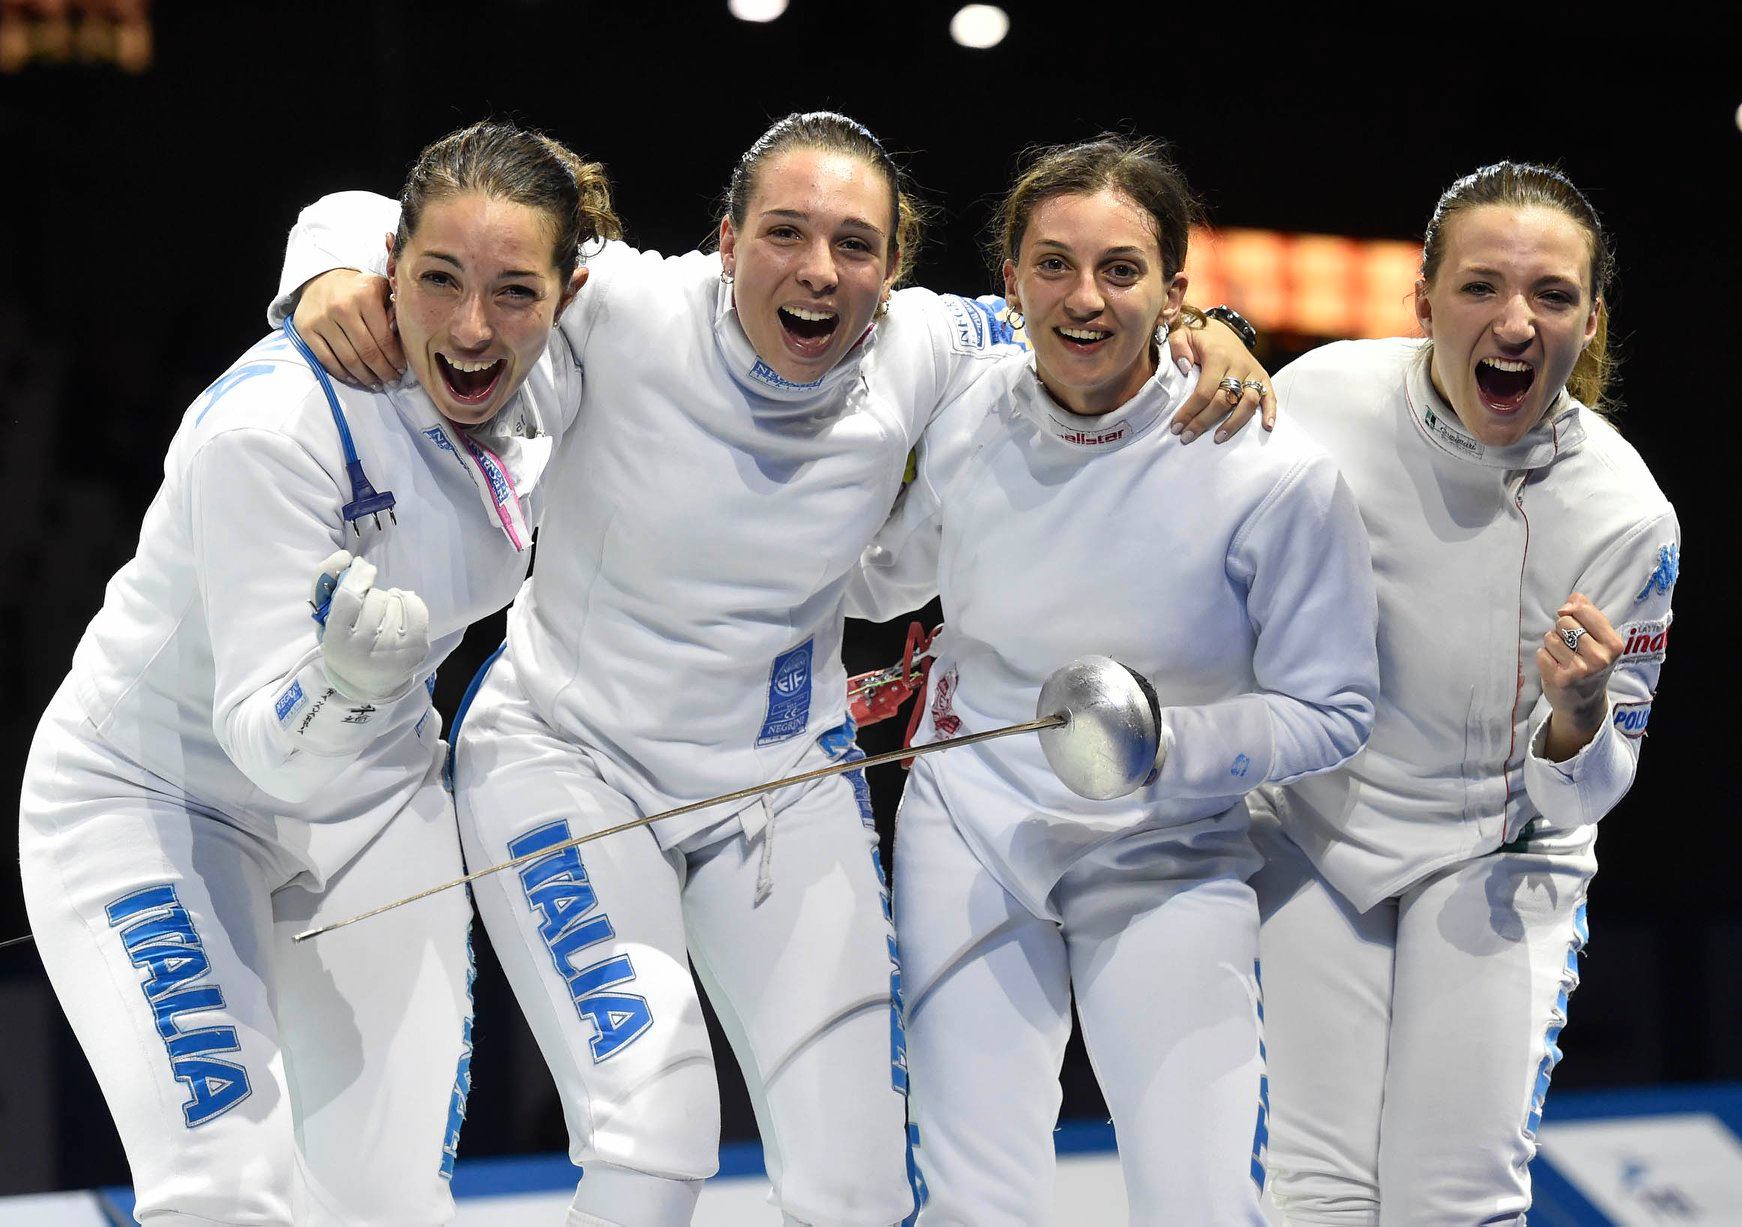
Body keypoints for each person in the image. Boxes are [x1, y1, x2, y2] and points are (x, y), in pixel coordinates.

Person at [276, 114, 1273, 1227]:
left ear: (890, 272)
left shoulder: (928, 343)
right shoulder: (623, 304)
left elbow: (1083, 319)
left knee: (860, 1188)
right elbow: (408, 216)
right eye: (785, 233)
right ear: (727, 241)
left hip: (780, 784)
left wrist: (1213, 330)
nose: (818, 270)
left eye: (854, 245)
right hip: (565, 765)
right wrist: (330, 270)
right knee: (652, 1135)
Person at [17, 120, 611, 1224]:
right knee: (225, 1192)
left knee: (388, 1205)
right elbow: (265, 748)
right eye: (437, 280)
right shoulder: (269, 430)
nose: (473, 328)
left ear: (568, 295)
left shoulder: (567, 353)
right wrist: (340, 682)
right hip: (152, 798)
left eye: (515, 294)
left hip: (372, 804)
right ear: (391, 266)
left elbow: (733, 300)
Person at [842, 136, 1379, 1226]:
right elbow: (885, 573)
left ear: (1175, 293)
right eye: (1053, 265)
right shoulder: (962, 411)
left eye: (1120, 270)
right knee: (972, 1200)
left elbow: (1335, 708)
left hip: (1167, 848)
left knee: (1196, 1202)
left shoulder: (1266, 471)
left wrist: (1165, 745)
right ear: (1010, 282)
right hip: (971, 824)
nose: (1082, 298)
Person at [1248, 163, 1680, 1226]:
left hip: (1499, 846)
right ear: (1424, 300)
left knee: (1451, 1204)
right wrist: (1211, 332)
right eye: (1481, 286)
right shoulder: (1317, 400)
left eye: (1551, 295)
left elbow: (1587, 792)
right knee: (1319, 1192)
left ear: (1590, 322)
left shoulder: (1625, 514)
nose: (1515, 322)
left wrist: (1577, 714)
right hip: (1312, 826)